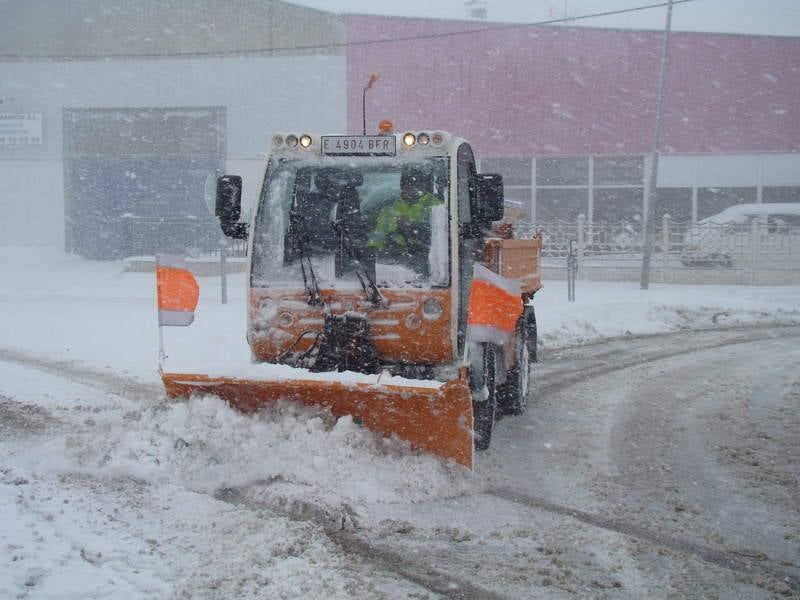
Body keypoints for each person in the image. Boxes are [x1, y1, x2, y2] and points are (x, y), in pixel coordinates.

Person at [368, 168, 443, 267]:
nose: (410, 187)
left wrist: (412, 228)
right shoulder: (388, 210)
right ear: (402, 186)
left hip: (428, 265)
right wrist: (370, 253)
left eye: (416, 184)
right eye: (406, 183)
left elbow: (442, 240)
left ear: (424, 185)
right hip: (391, 265)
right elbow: (378, 237)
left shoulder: (438, 207)